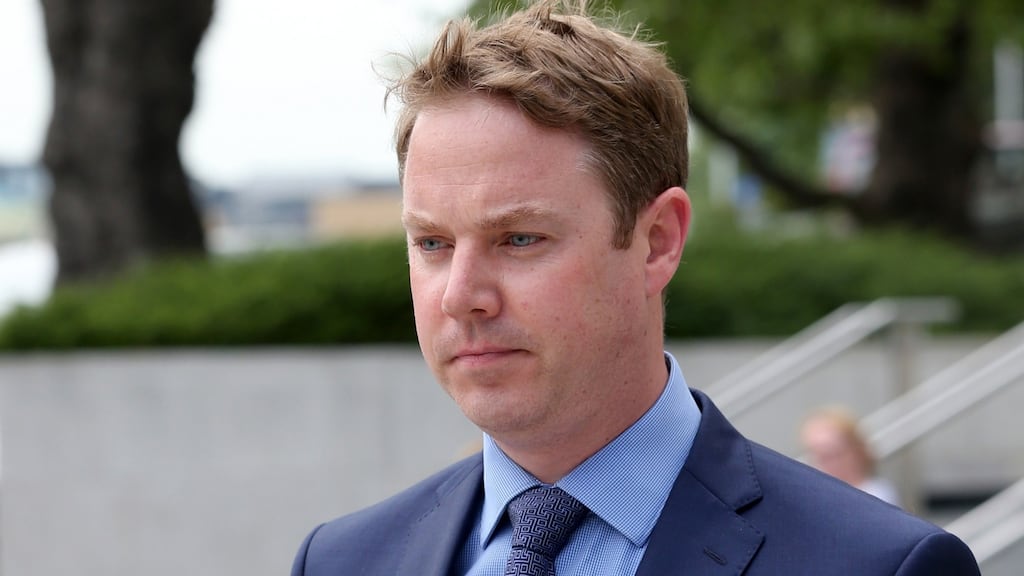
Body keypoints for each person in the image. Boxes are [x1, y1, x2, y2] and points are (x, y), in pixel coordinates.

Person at [292, 1, 981, 574]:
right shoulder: (342, 561)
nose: (461, 295)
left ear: (658, 242)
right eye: (433, 244)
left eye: (519, 239)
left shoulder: (879, 567)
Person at [801, 405, 902, 507]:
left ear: (856, 451)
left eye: (834, 454)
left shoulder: (878, 494)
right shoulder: (812, 499)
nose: (828, 465)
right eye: (819, 457)